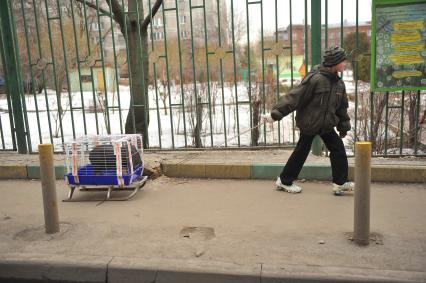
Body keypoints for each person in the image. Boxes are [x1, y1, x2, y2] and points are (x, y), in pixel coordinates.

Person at [261, 46, 354, 195]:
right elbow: (295, 96)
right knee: (301, 152)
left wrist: (343, 124)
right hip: (310, 123)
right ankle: (284, 181)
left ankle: (340, 182)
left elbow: (341, 107)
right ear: (334, 62)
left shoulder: (338, 83)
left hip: (326, 125)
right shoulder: (315, 79)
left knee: (338, 149)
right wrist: (276, 113)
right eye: (343, 60)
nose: (345, 63)